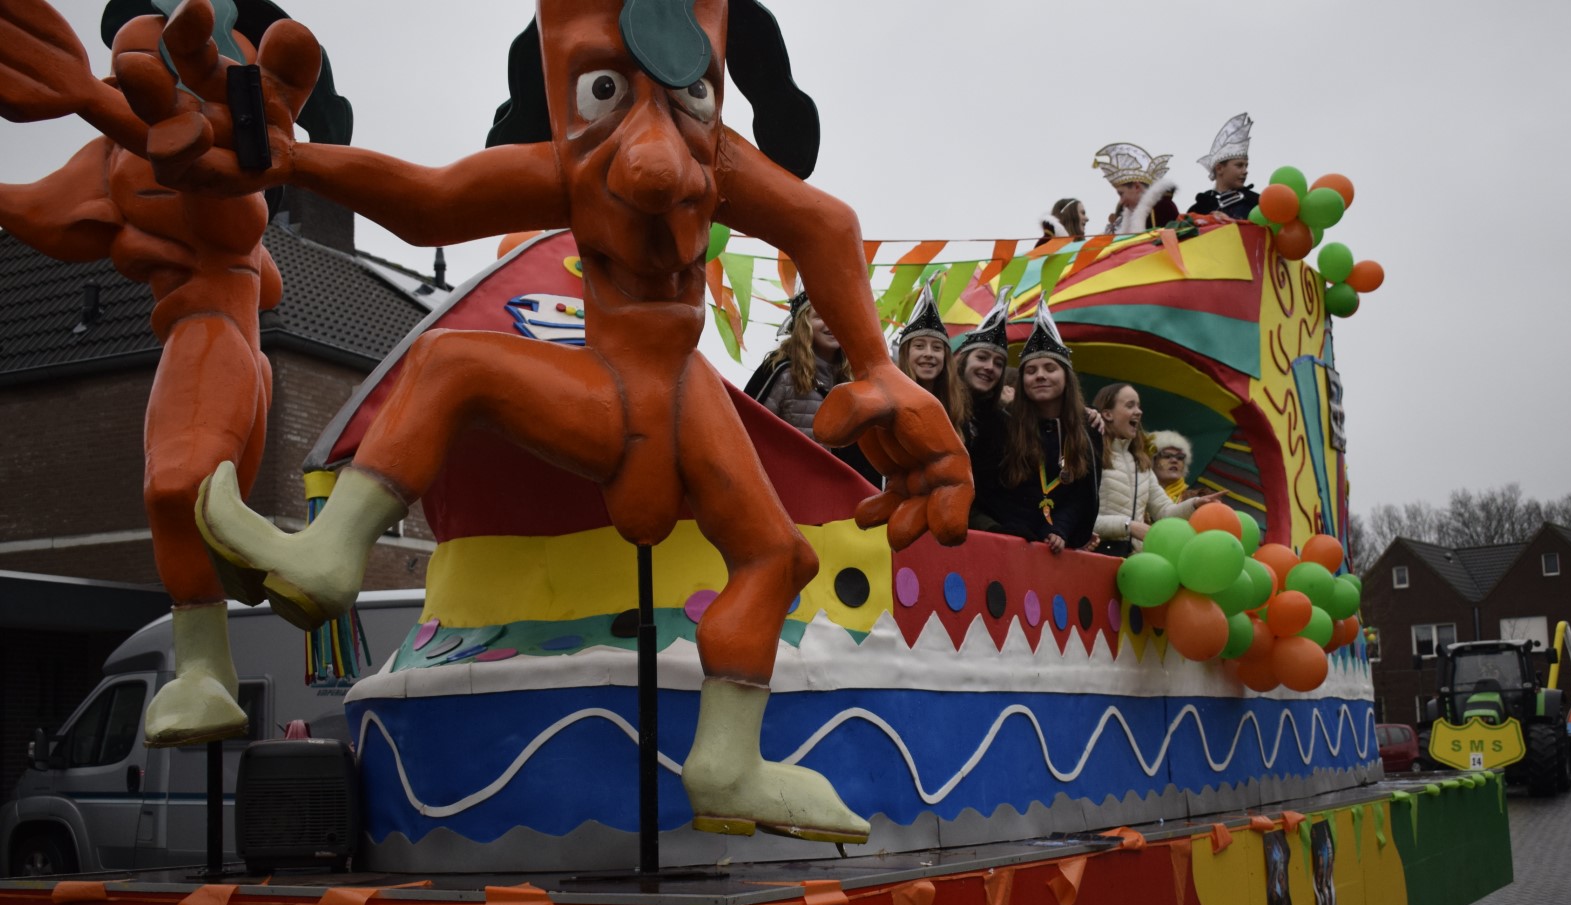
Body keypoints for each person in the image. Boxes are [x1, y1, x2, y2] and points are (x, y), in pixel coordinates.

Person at [169, 0, 971, 845]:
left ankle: (728, 764)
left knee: (778, 556)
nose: (656, 158)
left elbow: (826, 225)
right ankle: (333, 552)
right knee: (449, 362)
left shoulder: (712, 160)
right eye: (606, 90)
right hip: (614, 392)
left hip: (681, 387)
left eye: (690, 95)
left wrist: (881, 368)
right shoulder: (580, 164)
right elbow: (432, 200)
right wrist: (293, 159)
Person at [0, 0, 349, 748]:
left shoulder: (229, 152)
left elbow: (228, 206)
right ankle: (220, 641)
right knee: (179, 498)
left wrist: (133, 113)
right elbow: (40, 210)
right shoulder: (112, 157)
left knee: (175, 487)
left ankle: (244, 616)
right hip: (213, 343)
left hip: (216, 335)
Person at [973, 298, 1100, 553]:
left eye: (1050, 368)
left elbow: (1081, 496)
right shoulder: (1003, 425)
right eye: (1031, 371)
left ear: (1066, 377)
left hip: (1054, 548)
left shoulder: (1088, 431)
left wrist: (1059, 528)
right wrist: (1018, 531)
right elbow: (987, 491)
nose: (1040, 375)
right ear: (1022, 381)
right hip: (1005, 542)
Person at [749, 291, 882, 484]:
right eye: (821, 316)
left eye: (837, 316)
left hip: (834, 490)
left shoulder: (856, 378)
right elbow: (749, 430)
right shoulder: (780, 370)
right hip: (786, 487)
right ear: (804, 323)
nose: (831, 323)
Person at [1091, 384, 1217, 554]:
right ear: (1107, 414)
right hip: (1095, 554)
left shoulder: (1140, 463)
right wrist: (1128, 526)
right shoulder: (1090, 455)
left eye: (1138, 406)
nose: (1139, 411)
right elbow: (1078, 518)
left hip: (1134, 559)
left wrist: (1195, 504)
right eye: (1130, 405)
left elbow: (1164, 512)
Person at [895, 283, 969, 438]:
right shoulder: (889, 404)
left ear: (945, 357)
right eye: (919, 346)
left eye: (936, 348)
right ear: (906, 354)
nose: (929, 354)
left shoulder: (958, 410)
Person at [955, 287, 1011, 458]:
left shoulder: (1004, 423)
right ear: (964, 362)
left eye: (998, 363)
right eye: (982, 357)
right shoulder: (940, 406)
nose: (990, 367)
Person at [1094, 142, 1177, 235]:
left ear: (1137, 187)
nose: (1121, 201)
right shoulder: (1134, 217)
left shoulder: (1163, 208)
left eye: (1121, 194)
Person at [1188, 113, 1258, 221]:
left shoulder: (1256, 202)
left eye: (1246, 166)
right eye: (1239, 165)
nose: (1245, 171)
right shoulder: (1199, 208)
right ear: (1219, 168)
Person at [1148, 429, 1193, 501]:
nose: (1174, 460)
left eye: (1180, 457)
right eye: (1167, 456)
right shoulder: (1136, 494)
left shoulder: (1194, 499)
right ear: (1151, 460)